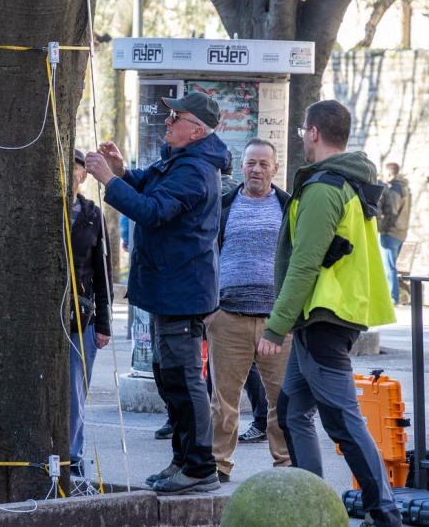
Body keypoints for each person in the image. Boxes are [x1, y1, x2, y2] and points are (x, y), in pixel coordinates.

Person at [258, 100, 401, 527]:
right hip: (327, 316)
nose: (302, 137)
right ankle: (312, 505)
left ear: (314, 132)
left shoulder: (324, 187)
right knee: (291, 412)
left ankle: (384, 512)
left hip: (323, 317)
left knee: (342, 420)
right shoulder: (351, 181)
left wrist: (275, 325)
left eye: (303, 130)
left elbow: (304, 264)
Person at [85, 91, 230, 495]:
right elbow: (149, 188)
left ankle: (200, 468)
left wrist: (109, 181)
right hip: (172, 289)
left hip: (183, 291)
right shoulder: (184, 159)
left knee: (184, 382)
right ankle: (184, 460)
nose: (167, 122)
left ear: (196, 129)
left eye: (175, 117)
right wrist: (121, 171)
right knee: (170, 381)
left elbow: (152, 211)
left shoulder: (195, 169)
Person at [207, 138, 292, 483]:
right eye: (250, 163)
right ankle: (218, 464)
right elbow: (208, 254)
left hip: (277, 321)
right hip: (228, 318)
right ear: (240, 167)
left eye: (263, 164)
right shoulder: (223, 205)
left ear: (274, 168)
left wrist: (290, 316)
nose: (256, 169)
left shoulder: (289, 207)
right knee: (223, 401)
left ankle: (286, 466)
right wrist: (210, 309)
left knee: (282, 400)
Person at [68, 150, 113, 477]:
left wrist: (104, 324)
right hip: (44, 318)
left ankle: (73, 456)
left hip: (82, 316)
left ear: (84, 175)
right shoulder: (42, 209)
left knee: (75, 390)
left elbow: (103, 272)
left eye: (76, 169)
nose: (70, 173)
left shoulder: (93, 214)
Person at [378, 162, 412, 305]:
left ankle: (393, 299)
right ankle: (394, 297)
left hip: (391, 232)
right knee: (391, 266)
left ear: (389, 173)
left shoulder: (395, 189)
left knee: (389, 267)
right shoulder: (406, 188)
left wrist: (382, 228)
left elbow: (391, 212)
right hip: (402, 232)